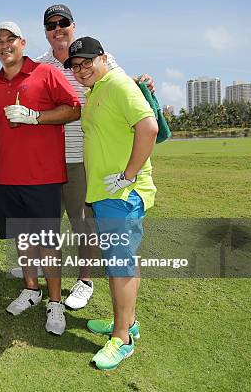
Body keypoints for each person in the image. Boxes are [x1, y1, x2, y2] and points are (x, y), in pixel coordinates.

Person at [25, 4, 155, 310]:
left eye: (63, 23)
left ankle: (84, 280)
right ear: (45, 31)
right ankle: (49, 273)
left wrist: (142, 81)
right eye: (51, 25)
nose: (58, 29)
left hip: (85, 159)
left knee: (84, 225)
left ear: (73, 25)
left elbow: (120, 85)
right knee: (46, 224)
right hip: (47, 159)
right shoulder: (40, 65)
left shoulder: (97, 58)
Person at [0, 22, 80, 335]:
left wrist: (37, 117)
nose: (4, 45)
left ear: (22, 43)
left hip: (43, 175)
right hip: (8, 173)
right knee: (22, 236)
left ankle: (55, 302)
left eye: (11, 40)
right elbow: (2, 119)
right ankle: (31, 289)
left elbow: (73, 109)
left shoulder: (45, 72)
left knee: (48, 242)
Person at [65, 36, 157, 370]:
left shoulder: (118, 84)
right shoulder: (97, 90)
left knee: (120, 266)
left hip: (122, 194)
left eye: (87, 62)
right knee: (122, 262)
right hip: (105, 193)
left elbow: (148, 126)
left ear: (104, 58)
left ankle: (123, 339)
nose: (81, 69)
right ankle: (127, 321)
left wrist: (129, 175)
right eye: (75, 65)